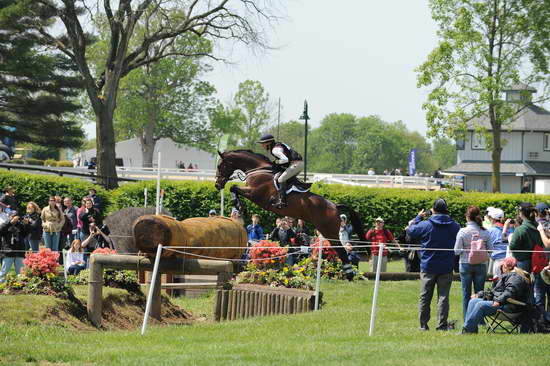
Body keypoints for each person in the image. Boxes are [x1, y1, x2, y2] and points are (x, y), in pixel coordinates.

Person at [407, 198, 460, 331]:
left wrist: (418, 217)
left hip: (428, 266)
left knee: (425, 296)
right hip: (446, 266)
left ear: (433, 210)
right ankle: (441, 325)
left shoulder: (425, 224)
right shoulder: (455, 226)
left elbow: (411, 230)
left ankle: (423, 325)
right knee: (443, 297)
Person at [462, 257, 531, 334]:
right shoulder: (508, 276)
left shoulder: (515, 277)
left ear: (506, 267)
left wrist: (498, 301)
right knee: (473, 301)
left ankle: (468, 330)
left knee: (480, 305)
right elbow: (495, 292)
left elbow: (510, 292)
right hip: (503, 303)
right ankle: (471, 329)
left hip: (511, 307)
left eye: (501, 267)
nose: (500, 269)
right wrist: (479, 295)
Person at [454, 206, 493, 319]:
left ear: (467, 217)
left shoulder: (462, 231)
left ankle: (467, 319)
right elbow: (490, 250)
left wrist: (466, 251)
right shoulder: (485, 231)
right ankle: (479, 319)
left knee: (466, 293)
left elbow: (456, 251)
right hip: (481, 265)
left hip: (465, 264)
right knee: (480, 294)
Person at [257, 133, 304, 208]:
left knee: (281, 179)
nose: (262, 146)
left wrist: (276, 162)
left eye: (263, 144)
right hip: (296, 163)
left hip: (296, 164)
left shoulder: (275, 150)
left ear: (268, 143)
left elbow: (285, 159)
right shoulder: (278, 145)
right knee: (277, 177)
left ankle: (283, 201)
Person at [509, 202, 541, 272]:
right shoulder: (539, 226)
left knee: (523, 281)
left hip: (523, 262)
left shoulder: (520, 229)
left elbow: (512, 246)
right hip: (538, 260)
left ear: (521, 213)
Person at [0, 212, 28, 282]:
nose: (15, 218)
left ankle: (22, 286)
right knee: (4, 272)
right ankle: (1, 286)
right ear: (9, 217)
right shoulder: (5, 224)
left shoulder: (21, 225)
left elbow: (26, 234)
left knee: (21, 272)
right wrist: (10, 223)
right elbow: (1, 231)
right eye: (13, 216)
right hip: (8, 251)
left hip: (19, 251)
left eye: (16, 216)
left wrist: (26, 225)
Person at [487, 208, 512, 277]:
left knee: (498, 283)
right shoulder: (510, 229)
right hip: (510, 261)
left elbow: (488, 247)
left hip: (498, 261)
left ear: (492, 218)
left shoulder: (491, 230)